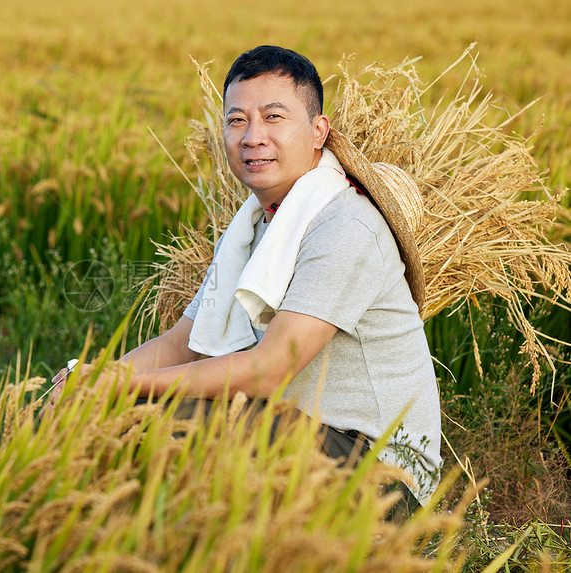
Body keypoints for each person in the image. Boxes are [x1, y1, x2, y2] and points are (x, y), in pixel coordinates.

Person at [47, 45, 441, 513]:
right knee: (90, 413)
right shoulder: (255, 228)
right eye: (237, 121)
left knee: (166, 424)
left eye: (274, 117)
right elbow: (183, 343)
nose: (253, 136)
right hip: (295, 432)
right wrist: (91, 381)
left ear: (318, 131)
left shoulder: (345, 228)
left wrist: (122, 389)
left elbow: (269, 370)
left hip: (376, 476)